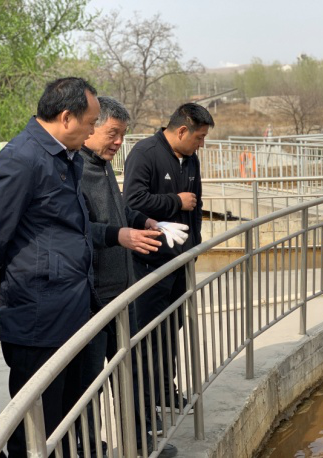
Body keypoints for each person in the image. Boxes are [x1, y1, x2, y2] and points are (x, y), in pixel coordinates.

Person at [0, 77, 100, 457]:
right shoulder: (22, 158)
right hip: (38, 313)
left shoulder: (65, 157)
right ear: (66, 117)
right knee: (35, 425)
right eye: (90, 123)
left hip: (69, 306)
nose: (93, 131)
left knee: (64, 419)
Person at [78, 96, 179, 457]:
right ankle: (91, 448)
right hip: (92, 299)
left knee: (132, 372)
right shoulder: (74, 170)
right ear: (91, 128)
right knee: (90, 383)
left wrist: (144, 221)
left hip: (124, 291)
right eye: (112, 133)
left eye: (123, 134)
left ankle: (139, 443)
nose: (119, 142)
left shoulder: (104, 166)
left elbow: (119, 211)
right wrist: (119, 235)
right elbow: (78, 230)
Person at [124, 103, 214, 413]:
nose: (201, 144)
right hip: (151, 263)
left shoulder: (190, 160)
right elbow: (133, 201)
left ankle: (165, 390)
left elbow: (195, 205)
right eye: (199, 138)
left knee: (171, 328)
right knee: (150, 332)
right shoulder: (145, 154)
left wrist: (195, 246)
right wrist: (175, 201)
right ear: (182, 131)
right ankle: (147, 401)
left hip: (181, 261)